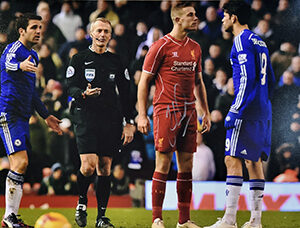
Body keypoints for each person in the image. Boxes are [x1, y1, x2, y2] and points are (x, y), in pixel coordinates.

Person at [137, 2, 211, 228]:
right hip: (166, 110)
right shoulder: (160, 46)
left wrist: (204, 111)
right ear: (177, 20)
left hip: (189, 112)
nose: (195, 18)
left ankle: (183, 221)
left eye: (195, 14)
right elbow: (144, 82)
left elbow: (199, 82)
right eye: (191, 15)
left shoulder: (195, 47)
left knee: (186, 165)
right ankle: (156, 219)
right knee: (163, 163)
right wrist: (142, 114)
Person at [204, 1, 276, 228]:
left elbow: (246, 78)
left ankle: (230, 219)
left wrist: (235, 110)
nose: (222, 19)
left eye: (224, 15)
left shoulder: (241, 40)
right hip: (263, 109)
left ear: (233, 17)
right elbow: (270, 79)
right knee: (253, 162)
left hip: (245, 110)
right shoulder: (259, 40)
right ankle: (255, 220)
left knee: (231, 159)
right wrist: (263, 101)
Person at [66, 17, 135, 228]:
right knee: (87, 166)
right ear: (91, 33)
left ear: (110, 35)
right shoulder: (78, 59)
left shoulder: (117, 61)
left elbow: (126, 94)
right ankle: (82, 202)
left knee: (105, 168)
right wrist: (83, 94)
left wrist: (129, 122)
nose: (103, 34)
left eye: (106, 31)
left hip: (110, 119)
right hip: (85, 116)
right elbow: (70, 86)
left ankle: (101, 217)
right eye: (99, 31)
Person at [0, 13, 62, 227]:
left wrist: (46, 116)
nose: (39, 31)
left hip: (24, 116)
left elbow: (32, 93)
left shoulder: (33, 56)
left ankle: (11, 217)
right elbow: (7, 63)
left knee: (21, 165)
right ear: (21, 31)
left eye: (40, 27)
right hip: (9, 114)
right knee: (20, 162)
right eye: (34, 27)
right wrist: (20, 66)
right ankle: (9, 217)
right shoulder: (14, 50)